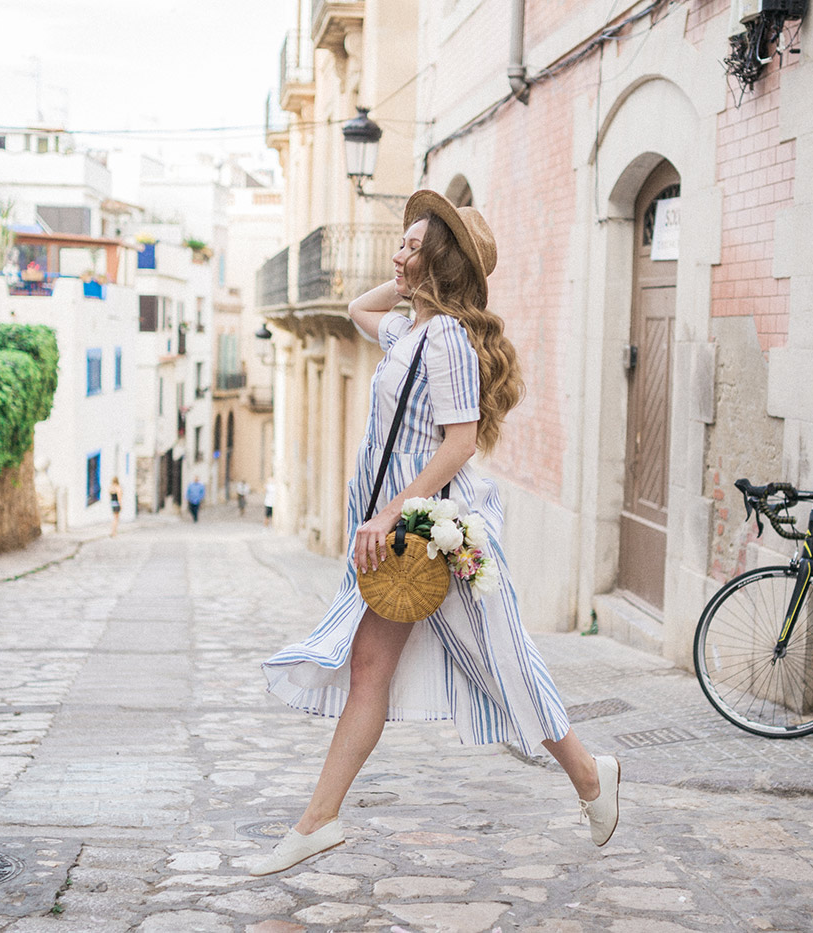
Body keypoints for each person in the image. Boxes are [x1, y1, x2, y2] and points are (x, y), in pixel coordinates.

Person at [248, 190, 620, 876]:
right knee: (370, 670)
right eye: (402, 241)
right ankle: (318, 819)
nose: (397, 251)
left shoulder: (445, 338)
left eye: (412, 245)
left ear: (442, 262)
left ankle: (592, 774)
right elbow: (362, 310)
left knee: (500, 662)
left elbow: (460, 442)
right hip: (407, 543)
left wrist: (390, 510)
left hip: (435, 539)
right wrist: (412, 274)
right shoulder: (412, 333)